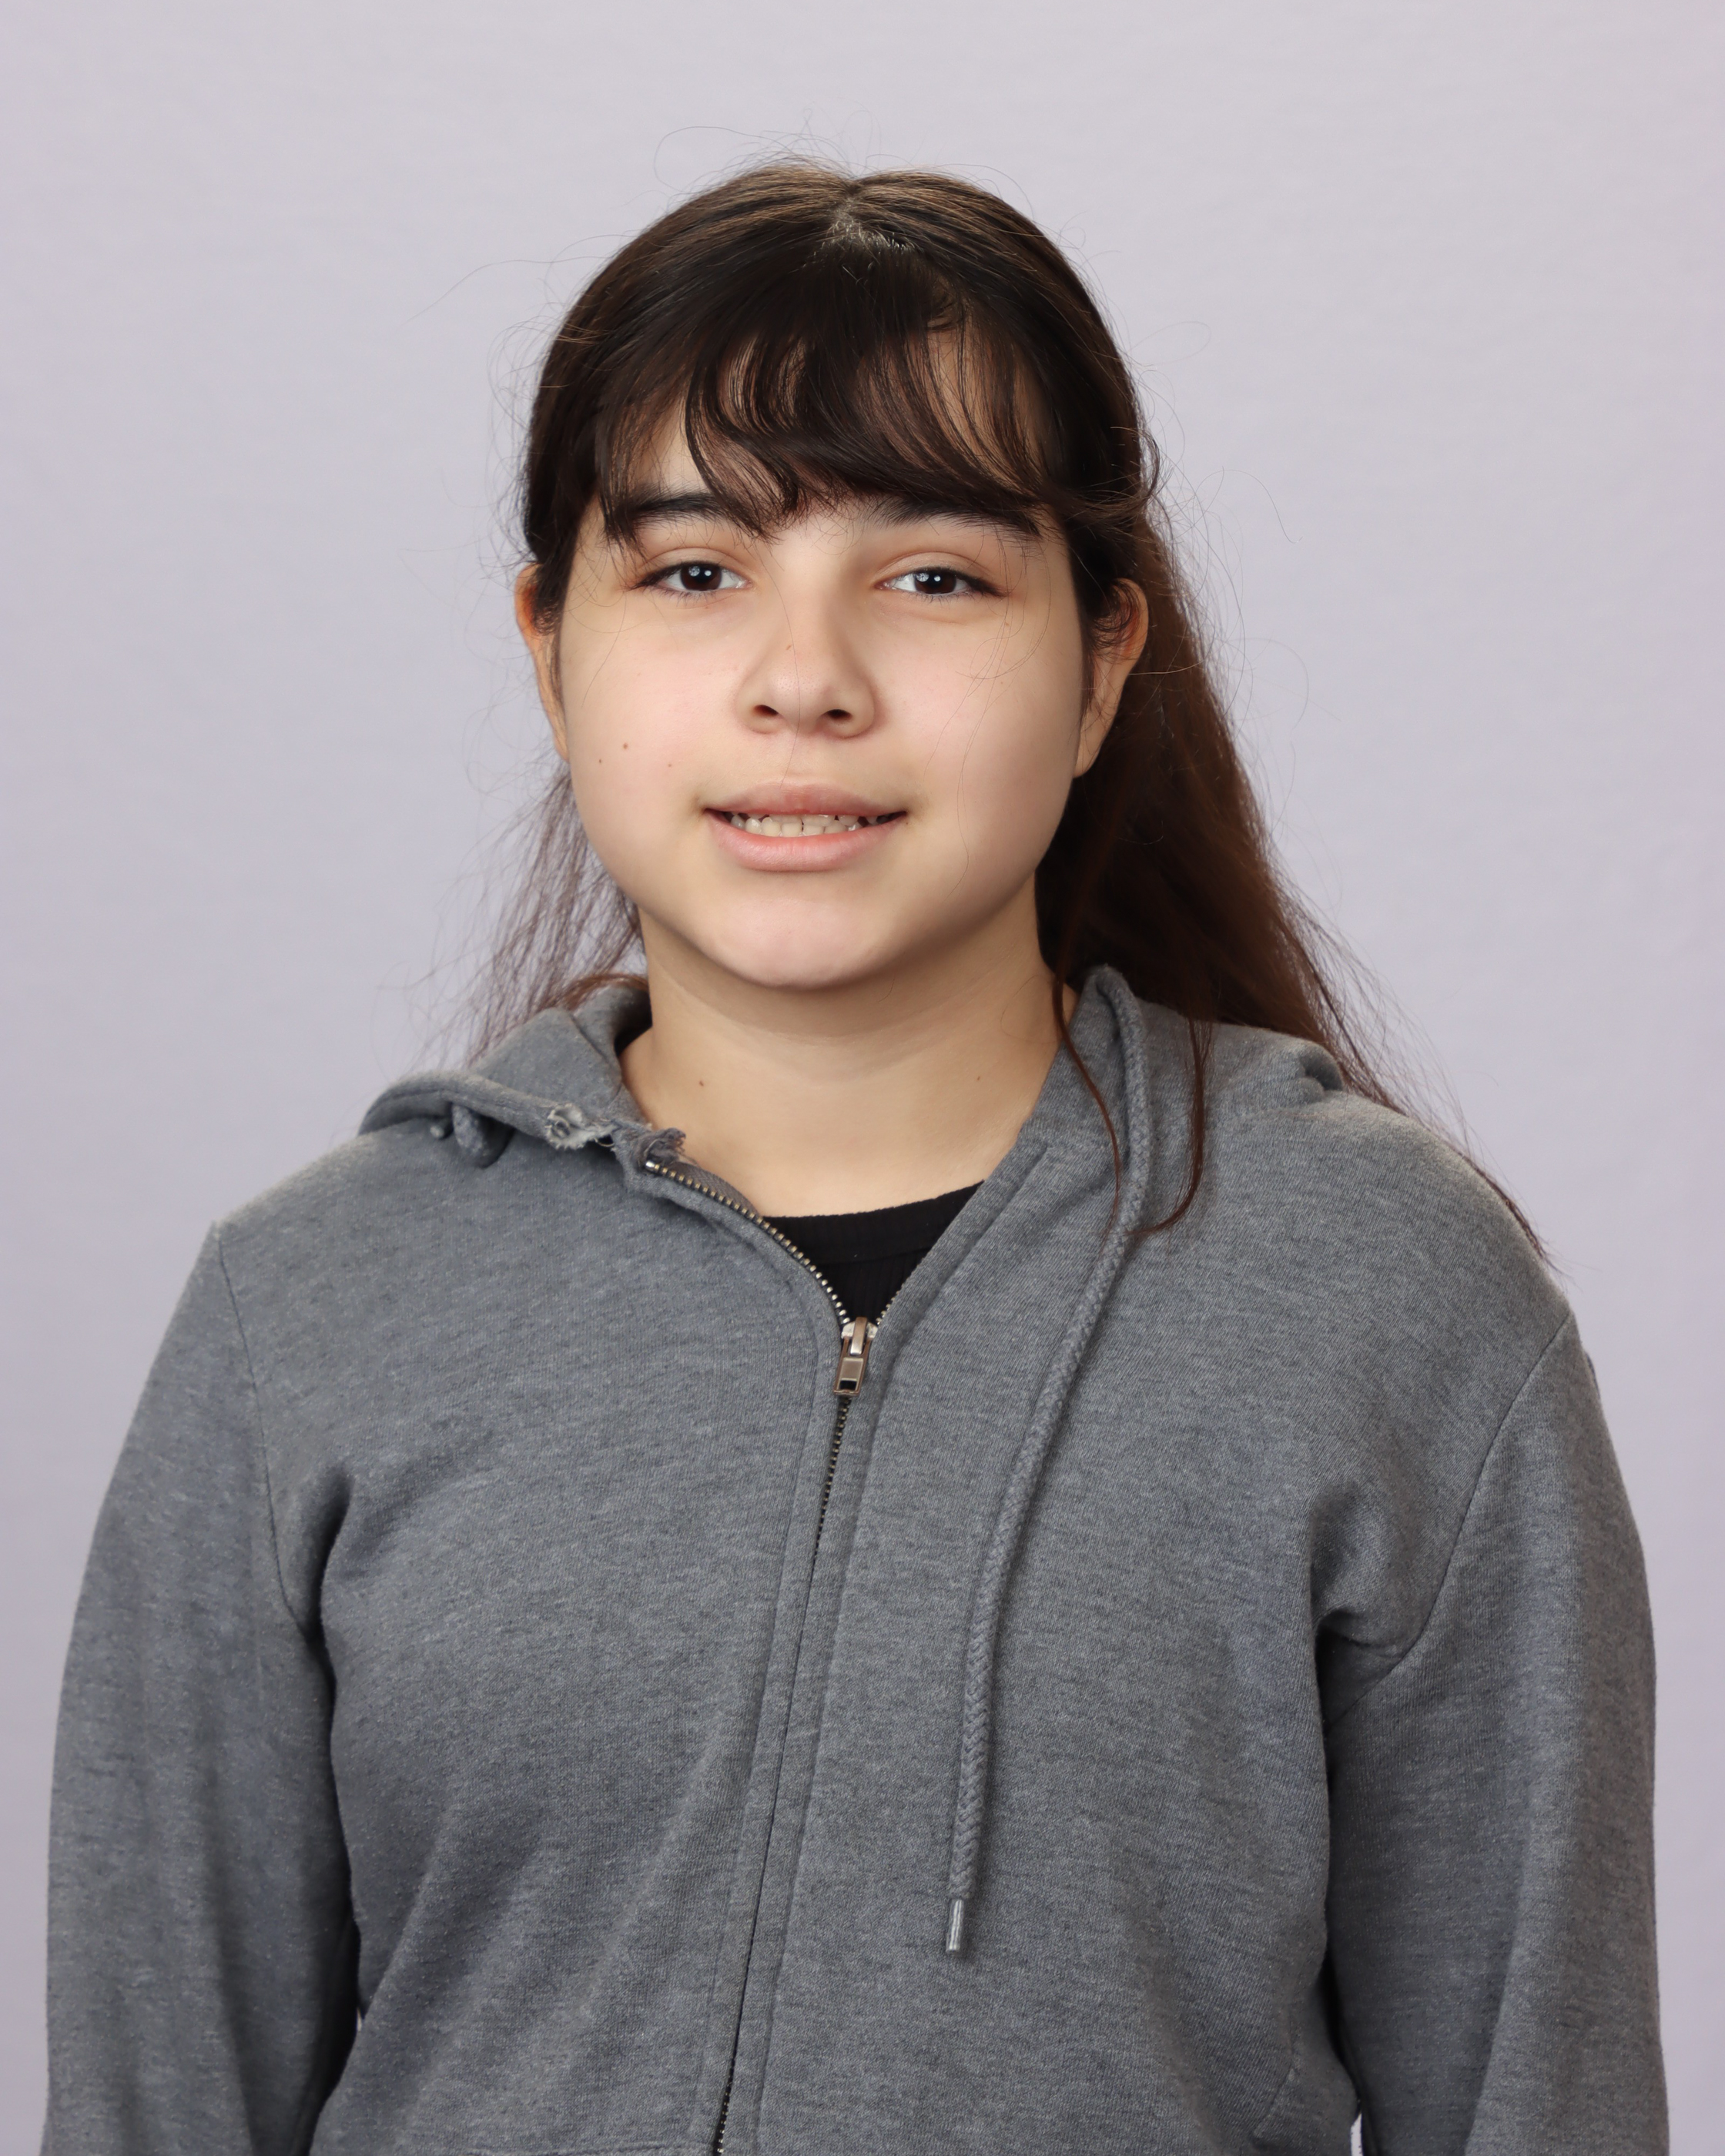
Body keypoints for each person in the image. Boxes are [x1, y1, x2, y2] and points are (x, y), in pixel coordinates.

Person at [42, 163, 1664, 2156]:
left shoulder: (1383, 1291)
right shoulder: (309, 1308)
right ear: (551, 649)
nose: (803, 678)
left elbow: (1538, 2101)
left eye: (935, 576)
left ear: (1103, 660)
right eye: (694, 572)